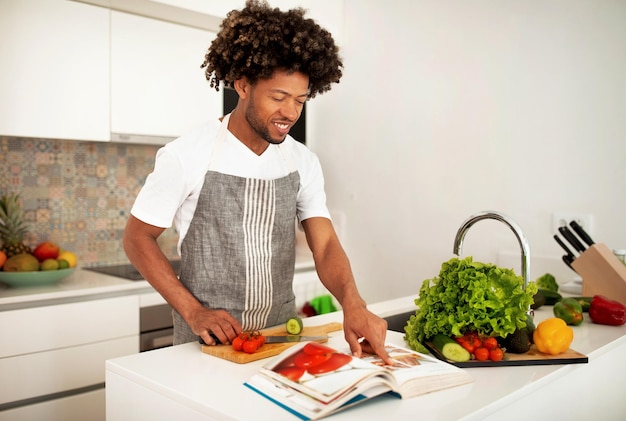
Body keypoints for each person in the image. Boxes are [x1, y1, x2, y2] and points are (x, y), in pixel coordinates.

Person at [123, 0, 391, 364]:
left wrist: (353, 303)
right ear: (242, 84)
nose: (291, 113)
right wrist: (193, 311)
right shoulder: (186, 154)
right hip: (205, 342)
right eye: (278, 97)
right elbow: (137, 238)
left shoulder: (302, 161)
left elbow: (324, 245)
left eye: (300, 100)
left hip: (281, 340)